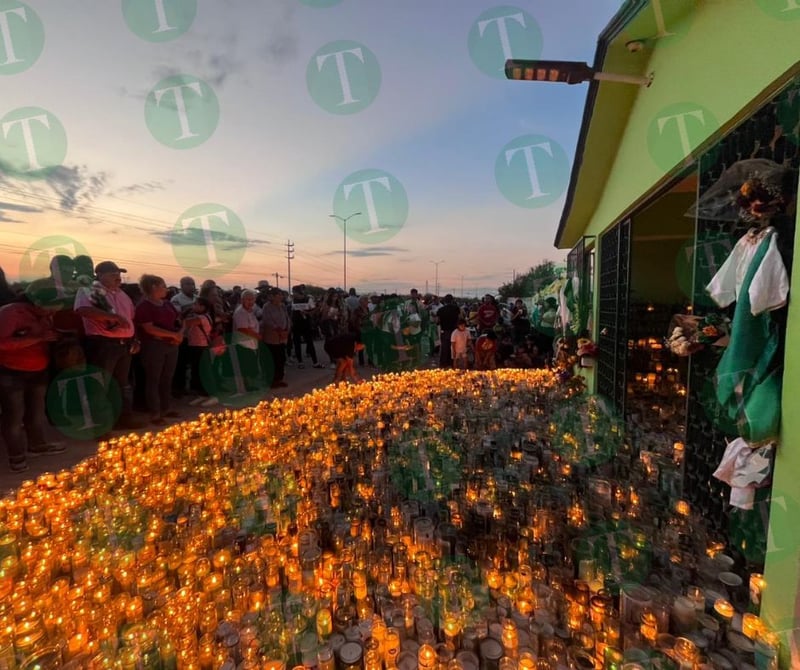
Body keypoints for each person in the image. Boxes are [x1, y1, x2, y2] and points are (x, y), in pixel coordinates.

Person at [74, 260, 145, 430]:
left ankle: (123, 419)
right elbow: (82, 310)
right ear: (99, 275)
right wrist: (113, 318)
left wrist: (134, 338)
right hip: (103, 344)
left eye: (118, 274)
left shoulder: (122, 294)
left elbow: (131, 319)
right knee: (100, 385)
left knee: (122, 385)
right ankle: (100, 424)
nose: (118, 278)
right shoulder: (91, 291)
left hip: (123, 345)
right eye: (113, 275)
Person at [0, 295, 65, 472]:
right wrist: (38, 338)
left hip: (38, 370)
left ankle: (37, 445)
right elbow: (3, 343)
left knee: (36, 412)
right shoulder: (11, 313)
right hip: (12, 371)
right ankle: (16, 457)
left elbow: (46, 335)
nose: (51, 313)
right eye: (50, 309)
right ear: (37, 301)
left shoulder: (43, 316)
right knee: (14, 415)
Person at [134, 274, 184, 426]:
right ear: (154, 287)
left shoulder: (167, 304)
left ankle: (166, 408)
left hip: (172, 344)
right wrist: (173, 335)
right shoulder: (144, 306)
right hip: (154, 346)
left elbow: (179, 319)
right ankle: (155, 412)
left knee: (167, 378)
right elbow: (149, 328)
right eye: (163, 285)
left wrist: (180, 333)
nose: (166, 289)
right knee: (153, 379)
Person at [231, 289, 262, 392]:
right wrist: (257, 336)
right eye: (248, 299)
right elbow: (242, 329)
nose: (251, 302)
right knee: (245, 366)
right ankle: (245, 386)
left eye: (253, 299)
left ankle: (249, 385)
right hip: (243, 343)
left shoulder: (250, 311)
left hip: (251, 343)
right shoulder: (240, 312)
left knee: (250, 365)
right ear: (242, 300)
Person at [171, 276, 197, 398]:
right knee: (180, 364)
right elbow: (177, 316)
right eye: (188, 284)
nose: (191, 286)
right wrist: (191, 308)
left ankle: (193, 386)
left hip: (196, 336)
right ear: (181, 286)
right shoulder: (176, 299)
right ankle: (178, 388)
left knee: (194, 363)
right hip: (183, 335)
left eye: (192, 284)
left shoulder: (197, 298)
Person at [260, 287, 290, 389]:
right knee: (273, 359)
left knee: (281, 358)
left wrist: (286, 330)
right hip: (272, 337)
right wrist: (279, 330)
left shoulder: (282, 306)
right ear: (272, 296)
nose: (280, 297)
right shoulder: (267, 307)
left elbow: (287, 318)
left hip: (282, 337)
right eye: (278, 295)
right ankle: (271, 380)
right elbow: (267, 320)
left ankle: (279, 379)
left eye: (281, 295)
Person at [291, 285, 323, 369]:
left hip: (306, 323)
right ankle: (300, 362)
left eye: (294, 292)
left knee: (310, 343)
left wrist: (307, 313)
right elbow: (292, 311)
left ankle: (315, 362)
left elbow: (315, 309)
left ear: (298, 292)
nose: (293, 293)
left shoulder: (308, 299)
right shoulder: (293, 300)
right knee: (297, 343)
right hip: (296, 324)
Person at [436, 294, 461, 368]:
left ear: (445, 301)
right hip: (454, 331)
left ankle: (443, 363)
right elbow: (459, 319)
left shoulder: (440, 310)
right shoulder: (456, 309)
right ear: (452, 300)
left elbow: (437, 321)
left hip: (444, 330)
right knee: (453, 347)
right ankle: (452, 362)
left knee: (444, 347)